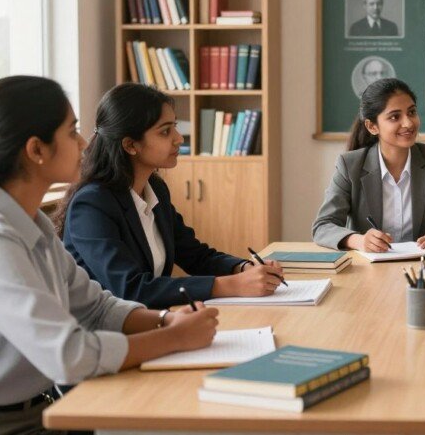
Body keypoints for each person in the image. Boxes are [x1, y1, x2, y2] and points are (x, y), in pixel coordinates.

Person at [0, 76, 218, 435]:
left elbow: (96, 308)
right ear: (36, 150)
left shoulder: (34, 226)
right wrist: (173, 339)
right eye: (72, 131)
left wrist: (165, 320)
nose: (83, 143)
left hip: (40, 413)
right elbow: (68, 355)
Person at [58, 83, 283, 310]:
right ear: (130, 145)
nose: (179, 138)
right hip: (107, 333)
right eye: (165, 131)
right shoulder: (92, 205)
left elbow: (195, 255)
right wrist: (231, 285)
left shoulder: (154, 188)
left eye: (174, 127)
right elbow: (130, 289)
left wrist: (243, 268)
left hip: (152, 319)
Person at [313, 78, 425, 252]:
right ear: (372, 126)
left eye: (411, 113)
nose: (408, 123)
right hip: (369, 270)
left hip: (421, 269)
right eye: (395, 117)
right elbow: (323, 226)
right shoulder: (350, 165)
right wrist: (358, 241)